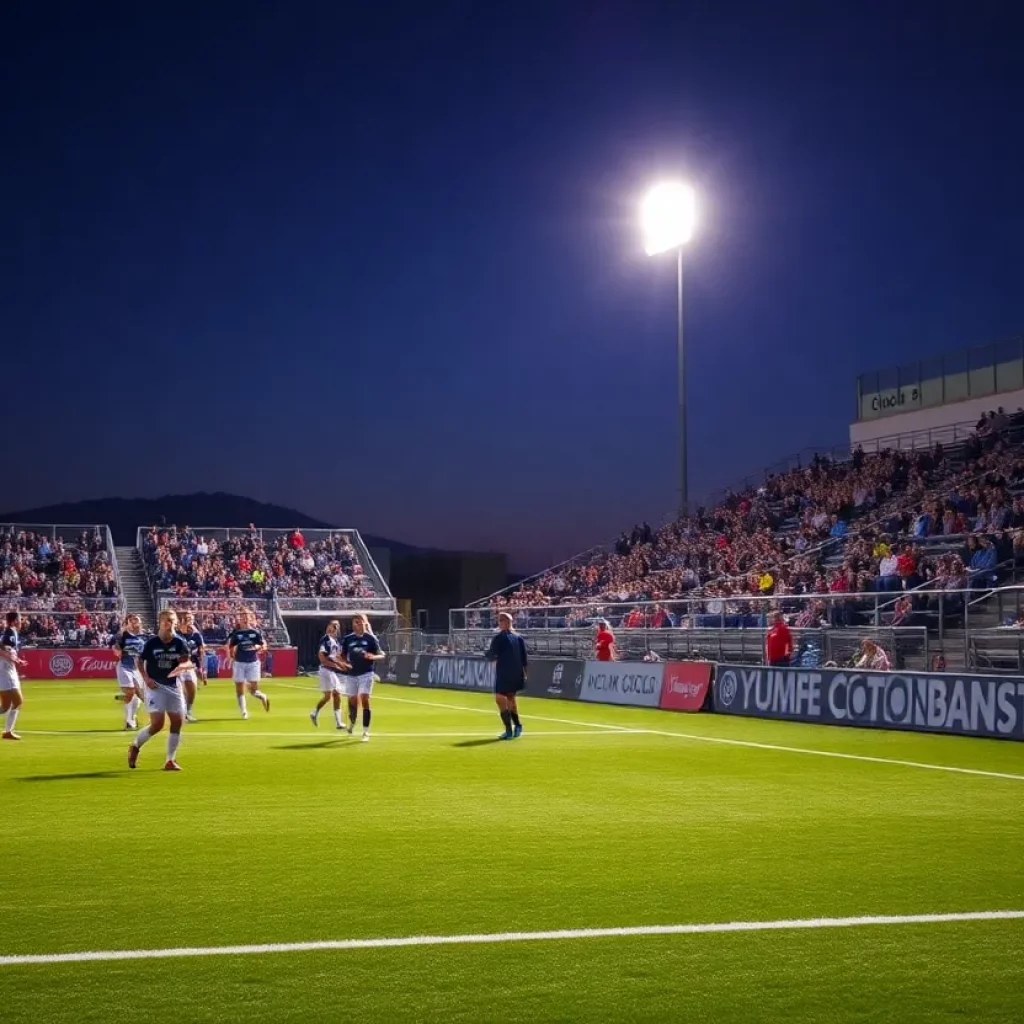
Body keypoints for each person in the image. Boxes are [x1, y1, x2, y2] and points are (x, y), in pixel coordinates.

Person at [128, 609, 192, 771]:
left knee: (177, 722)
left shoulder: (180, 643)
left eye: (170, 620)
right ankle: (135, 746)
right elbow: (139, 660)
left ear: (175, 623)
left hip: (173, 685)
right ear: (160, 623)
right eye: (164, 620)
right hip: (155, 685)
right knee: (157, 724)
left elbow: (185, 662)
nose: (167, 623)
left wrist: (180, 669)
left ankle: (170, 760)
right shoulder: (151, 643)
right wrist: (146, 679)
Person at [339, 614, 383, 741]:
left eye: (358, 622)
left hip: (366, 673)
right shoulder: (348, 639)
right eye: (354, 622)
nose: (356, 624)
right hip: (352, 674)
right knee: (352, 701)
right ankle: (352, 723)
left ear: (364, 623)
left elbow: (381, 655)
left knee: (364, 698)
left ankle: (365, 732)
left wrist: (373, 657)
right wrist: (344, 663)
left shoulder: (371, 639)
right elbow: (342, 655)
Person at [485, 611, 527, 740]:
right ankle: (517, 726)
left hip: (504, 672)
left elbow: (491, 655)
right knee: (510, 699)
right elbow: (524, 658)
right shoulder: (518, 637)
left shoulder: (499, 638)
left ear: (505, 622)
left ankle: (509, 729)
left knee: (500, 698)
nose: (499, 623)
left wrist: (488, 654)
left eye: (500, 621)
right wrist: (524, 673)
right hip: (516, 672)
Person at [227, 609, 270, 719]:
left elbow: (263, 645)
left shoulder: (255, 632)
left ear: (250, 618)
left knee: (253, 690)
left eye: (247, 616)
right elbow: (231, 646)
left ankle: (262, 696)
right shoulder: (236, 633)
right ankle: (244, 712)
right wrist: (232, 656)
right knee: (239, 688)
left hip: (253, 663)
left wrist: (257, 647)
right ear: (239, 618)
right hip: (239, 663)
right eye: (243, 616)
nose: (245, 618)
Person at [310, 619, 349, 729]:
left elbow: (336, 657)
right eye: (333, 626)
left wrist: (343, 664)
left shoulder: (335, 641)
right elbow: (321, 656)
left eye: (336, 626)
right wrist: (336, 665)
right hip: (327, 670)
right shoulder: (326, 640)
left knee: (327, 697)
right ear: (328, 627)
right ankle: (338, 722)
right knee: (337, 692)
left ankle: (314, 713)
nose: (334, 628)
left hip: (327, 670)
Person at [112, 613, 147, 730]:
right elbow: (116, 649)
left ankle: (131, 715)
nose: (134, 622)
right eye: (131, 620)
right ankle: (129, 721)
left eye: (136, 620)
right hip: (124, 667)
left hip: (137, 669)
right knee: (133, 692)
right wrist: (117, 649)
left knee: (137, 699)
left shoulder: (145, 637)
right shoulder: (124, 636)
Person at [0, 611, 27, 740]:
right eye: (19, 619)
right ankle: (8, 732)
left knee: (5, 707)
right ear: (13, 621)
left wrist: (17, 660)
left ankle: (8, 732)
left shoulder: (11, 632)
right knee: (18, 701)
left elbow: (7, 651)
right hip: (6, 671)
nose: (21, 621)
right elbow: (3, 650)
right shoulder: (9, 633)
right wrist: (13, 659)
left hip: (9, 669)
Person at [177, 611, 207, 723]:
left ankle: (188, 711)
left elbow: (201, 651)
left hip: (190, 666)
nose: (191, 621)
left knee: (192, 688)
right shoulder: (176, 634)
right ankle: (181, 713)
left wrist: (202, 668)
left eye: (192, 619)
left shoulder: (196, 635)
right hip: (176, 666)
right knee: (180, 690)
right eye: (188, 619)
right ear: (181, 621)